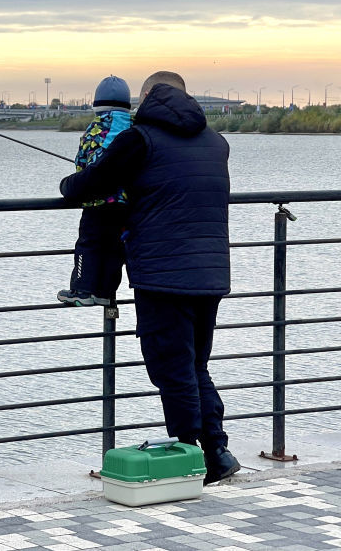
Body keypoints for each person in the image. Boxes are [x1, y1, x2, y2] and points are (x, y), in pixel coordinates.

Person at [59, 70, 239, 485]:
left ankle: (197, 456)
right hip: (211, 271)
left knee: (171, 368)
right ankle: (217, 448)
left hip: (162, 274)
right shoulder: (217, 142)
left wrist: (69, 181)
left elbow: (88, 184)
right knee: (196, 364)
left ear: (147, 98)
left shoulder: (138, 139)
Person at [57, 75, 132, 307]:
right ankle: (105, 292)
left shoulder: (96, 128)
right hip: (126, 204)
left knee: (88, 244)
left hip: (97, 205)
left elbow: (84, 163)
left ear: (97, 104)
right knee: (115, 249)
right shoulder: (134, 127)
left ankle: (81, 290)